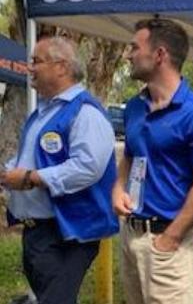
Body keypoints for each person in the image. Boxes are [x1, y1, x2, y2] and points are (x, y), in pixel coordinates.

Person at [112, 18, 193, 304]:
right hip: (131, 235)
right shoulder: (135, 107)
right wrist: (118, 188)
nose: (128, 55)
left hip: (169, 242)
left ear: (160, 55)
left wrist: (171, 237)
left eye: (135, 48)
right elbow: (130, 154)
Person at [0, 36, 118, 304]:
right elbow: (27, 160)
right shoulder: (42, 113)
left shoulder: (86, 113)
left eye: (36, 61)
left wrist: (30, 178)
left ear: (61, 67)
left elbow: (87, 167)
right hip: (38, 233)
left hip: (67, 235)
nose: (30, 67)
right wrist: (10, 174)